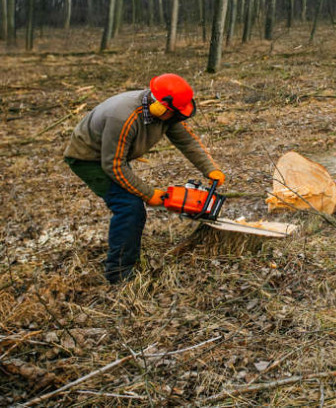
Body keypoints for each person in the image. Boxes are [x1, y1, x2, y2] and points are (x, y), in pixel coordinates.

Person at [64, 73, 225, 284]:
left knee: (132, 201)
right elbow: (113, 165)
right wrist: (149, 194)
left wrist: (210, 169)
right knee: (129, 206)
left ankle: (127, 259)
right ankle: (119, 273)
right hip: (89, 159)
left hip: (113, 156)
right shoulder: (123, 117)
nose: (178, 117)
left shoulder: (167, 113)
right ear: (160, 107)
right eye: (175, 113)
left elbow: (187, 141)